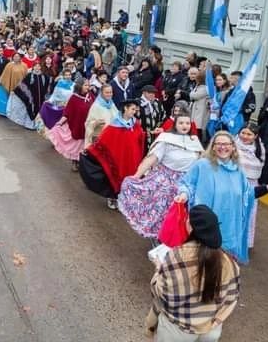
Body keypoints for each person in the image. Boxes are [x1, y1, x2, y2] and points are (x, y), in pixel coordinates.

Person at [176, 131, 268, 264]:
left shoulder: (237, 170)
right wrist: (183, 194)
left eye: (226, 144)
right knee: (201, 262)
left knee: (221, 265)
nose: (223, 147)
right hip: (205, 226)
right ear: (213, 147)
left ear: (233, 147)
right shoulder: (202, 165)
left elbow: (247, 194)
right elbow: (187, 184)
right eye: (218, 144)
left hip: (228, 227)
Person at [145, 205, 240, 342]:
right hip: (211, 330)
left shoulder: (177, 256)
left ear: (190, 227)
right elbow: (231, 298)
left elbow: (160, 293)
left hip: (178, 330)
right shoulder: (230, 262)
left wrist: (158, 269)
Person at [119, 111, 203, 240]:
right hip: (165, 180)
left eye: (187, 123)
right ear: (175, 124)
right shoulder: (166, 139)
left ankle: (174, 237)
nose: (184, 126)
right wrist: (137, 175)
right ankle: (161, 238)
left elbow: (200, 163)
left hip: (186, 184)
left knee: (181, 215)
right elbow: (151, 159)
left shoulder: (194, 141)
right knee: (161, 212)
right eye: (181, 123)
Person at [87, 99, 145, 210]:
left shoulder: (135, 124)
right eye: (132, 109)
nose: (134, 112)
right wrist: (91, 149)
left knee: (130, 176)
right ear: (125, 108)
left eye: (135, 109)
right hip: (118, 158)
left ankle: (126, 199)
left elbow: (139, 138)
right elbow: (103, 139)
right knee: (115, 176)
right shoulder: (114, 125)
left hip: (132, 158)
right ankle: (113, 198)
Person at [46, 77, 95, 170]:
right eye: (85, 85)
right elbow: (67, 113)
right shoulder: (74, 98)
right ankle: (75, 162)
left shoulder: (91, 96)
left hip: (88, 127)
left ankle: (84, 164)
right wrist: (60, 123)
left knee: (87, 146)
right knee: (77, 146)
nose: (88, 87)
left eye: (88, 85)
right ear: (80, 86)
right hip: (77, 126)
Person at [235, 123, 265, 249]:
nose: (245, 137)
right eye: (243, 133)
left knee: (247, 214)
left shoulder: (260, 149)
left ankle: (243, 242)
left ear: (255, 136)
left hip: (251, 186)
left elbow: (259, 167)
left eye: (249, 134)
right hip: (233, 183)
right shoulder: (231, 145)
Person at [7, 63, 51, 130]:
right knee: (31, 110)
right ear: (33, 67)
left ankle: (39, 125)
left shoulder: (44, 76)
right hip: (32, 98)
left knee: (41, 110)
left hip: (41, 98)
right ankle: (30, 125)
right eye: (35, 66)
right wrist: (15, 91)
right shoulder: (29, 76)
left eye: (38, 66)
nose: (37, 67)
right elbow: (22, 85)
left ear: (40, 67)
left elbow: (48, 85)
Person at [0, 53, 28, 117]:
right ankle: (9, 111)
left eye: (18, 56)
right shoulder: (9, 65)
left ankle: (17, 113)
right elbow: (4, 74)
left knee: (19, 99)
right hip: (11, 84)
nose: (16, 58)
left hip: (21, 85)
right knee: (11, 99)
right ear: (13, 57)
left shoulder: (24, 65)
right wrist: (0, 81)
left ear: (20, 57)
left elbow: (26, 76)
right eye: (15, 56)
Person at [138, 85, 165, 152]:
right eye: (150, 93)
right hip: (143, 136)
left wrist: (159, 128)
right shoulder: (138, 103)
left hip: (156, 135)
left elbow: (163, 116)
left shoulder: (157, 102)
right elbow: (136, 121)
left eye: (153, 93)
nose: (152, 95)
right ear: (144, 93)